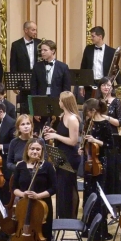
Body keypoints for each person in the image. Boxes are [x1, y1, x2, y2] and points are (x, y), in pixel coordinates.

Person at [9, 138, 56, 241]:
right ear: (27, 150)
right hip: (24, 209)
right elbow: (14, 187)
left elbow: (53, 188)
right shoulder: (21, 166)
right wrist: (23, 194)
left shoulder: (47, 166)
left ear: (42, 151)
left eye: (38, 149)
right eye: (32, 149)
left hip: (42, 210)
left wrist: (38, 196)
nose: (35, 152)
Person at [42, 91, 82, 219]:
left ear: (64, 102)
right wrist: (53, 131)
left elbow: (73, 141)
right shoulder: (62, 116)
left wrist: (55, 135)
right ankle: (62, 215)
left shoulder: (72, 119)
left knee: (67, 187)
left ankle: (69, 216)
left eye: (60, 100)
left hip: (69, 156)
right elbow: (64, 134)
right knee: (61, 186)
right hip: (60, 154)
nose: (58, 102)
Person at [80, 98, 113, 223]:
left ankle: (99, 226)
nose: (87, 115)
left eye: (87, 112)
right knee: (88, 190)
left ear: (93, 110)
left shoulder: (105, 124)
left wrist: (95, 141)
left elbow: (110, 145)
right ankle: (87, 224)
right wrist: (82, 148)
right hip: (88, 161)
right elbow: (85, 140)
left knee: (98, 192)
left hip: (100, 162)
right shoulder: (89, 122)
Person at [96, 79, 121, 195]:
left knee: (112, 167)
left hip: (112, 137)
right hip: (98, 137)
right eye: (103, 85)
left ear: (112, 88)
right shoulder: (96, 101)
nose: (106, 87)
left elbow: (120, 122)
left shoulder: (117, 102)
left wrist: (105, 117)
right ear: (100, 87)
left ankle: (113, 195)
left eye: (108, 85)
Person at [79, 26, 119, 97]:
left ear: (100, 37)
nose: (91, 38)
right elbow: (83, 67)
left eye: (93, 36)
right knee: (89, 106)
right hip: (90, 84)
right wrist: (81, 86)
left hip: (105, 84)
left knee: (104, 105)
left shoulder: (111, 51)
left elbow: (116, 69)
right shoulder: (88, 49)